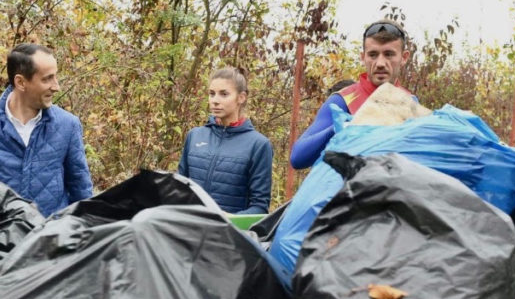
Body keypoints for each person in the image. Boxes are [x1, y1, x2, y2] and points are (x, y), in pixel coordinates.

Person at [0, 43, 93, 221]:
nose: (56, 86)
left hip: (51, 236)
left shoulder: (67, 125)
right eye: (47, 79)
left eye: (55, 77)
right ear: (21, 82)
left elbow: (82, 193)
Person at [290, 19, 421, 169]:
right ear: (363, 57)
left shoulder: (411, 102)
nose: (380, 63)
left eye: (389, 54)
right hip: (350, 183)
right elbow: (297, 158)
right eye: (373, 55)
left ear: (404, 57)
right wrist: (337, 128)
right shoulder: (342, 100)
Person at [178, 67, 273, 214]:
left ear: (241, 97)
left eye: (224, 94)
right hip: (189, 226)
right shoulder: (195, 136)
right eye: (212, 94)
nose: (215, 101)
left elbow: (259, 207)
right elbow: (177, 189)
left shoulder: (258, 145)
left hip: (228, 228)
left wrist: (228, 220)